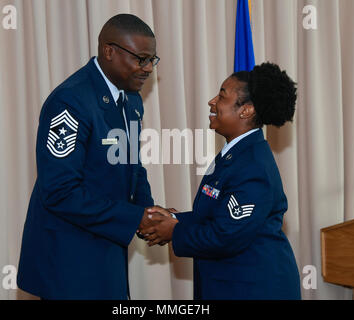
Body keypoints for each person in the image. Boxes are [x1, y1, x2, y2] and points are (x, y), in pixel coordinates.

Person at [17, 14, 165, 299]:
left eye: (152, 60)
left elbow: (132, 164)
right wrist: (135, 218)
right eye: (141, 58)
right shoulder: (70, 101)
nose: (147, 68)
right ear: (109, 51)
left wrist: (149, 213)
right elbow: (60, 192)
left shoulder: (132, 98)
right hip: (69, 255)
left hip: (108, 243)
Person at [141, 62, 302, 300]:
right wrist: (173, 219)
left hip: (255, 289)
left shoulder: (254, 166)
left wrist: (174, 231)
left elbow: (226, 235)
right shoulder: (233, 154)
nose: (212, 101)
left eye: (222, 96)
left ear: (246, 110)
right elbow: (216, 215)